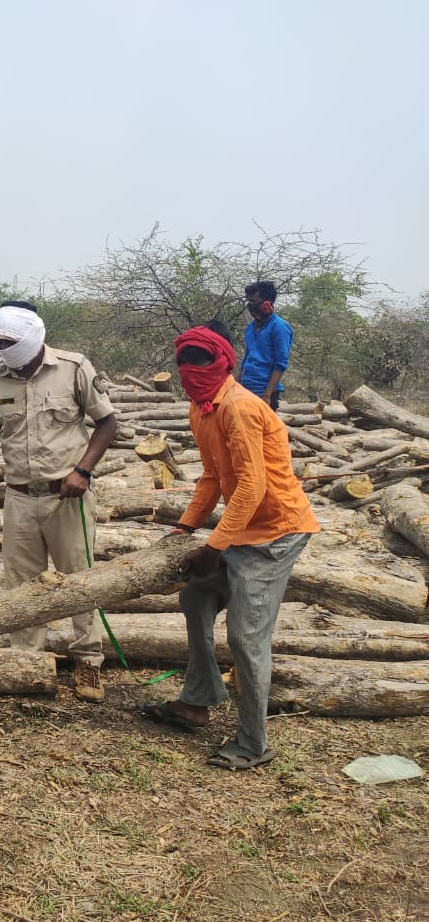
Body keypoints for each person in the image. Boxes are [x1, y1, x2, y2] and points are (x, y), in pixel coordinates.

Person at [140, 321, 319, 771]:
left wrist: (214, 545)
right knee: (196, 596)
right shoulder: (201, 409)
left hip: (276, 533)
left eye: (201, 360)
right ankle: (196, 703)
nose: (191, 369)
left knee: (246, 636)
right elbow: (213, 478)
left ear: (223, 362)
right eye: (184, 361)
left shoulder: (238, 407)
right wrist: (185, 527)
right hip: (242, 530)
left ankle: (254, 744)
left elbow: (254, 486)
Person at [0, 303, 117, 702]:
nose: (3, 348)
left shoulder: (73, 367)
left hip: (68, 497)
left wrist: (82, 470)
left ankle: (88, 661)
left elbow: (107, 422)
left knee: (79, 579)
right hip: (19, 497)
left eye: (11, 342)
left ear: (34, 337)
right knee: (22, 584)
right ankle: (28, 660)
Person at [239, 280, 293, 409]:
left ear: (267, 303)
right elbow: (247, 358)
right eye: (249, 301)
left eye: (254, 301)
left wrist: (267, 395)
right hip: (246, 389)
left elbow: (280, 363)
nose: (251, 306)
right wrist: (236, 384)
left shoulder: (279, 327)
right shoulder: (250, 328)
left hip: (264, 391)